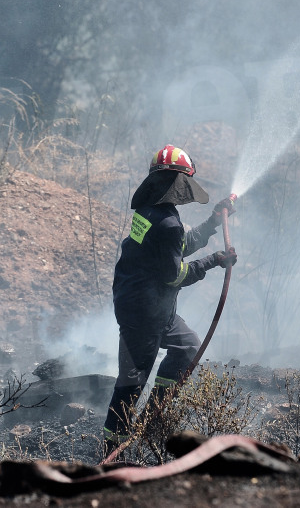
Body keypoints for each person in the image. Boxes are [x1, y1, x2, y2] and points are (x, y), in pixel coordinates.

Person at [102, 144, 237, 455]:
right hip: (143, 314)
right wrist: (213, 261)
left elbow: (176, 247)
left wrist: (213, 223)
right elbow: (173, 275)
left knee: (188, 346)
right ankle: (109, 449)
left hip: (152, 307)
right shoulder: (166, 221)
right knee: (131, 383)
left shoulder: (153, 212)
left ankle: (152, 418)